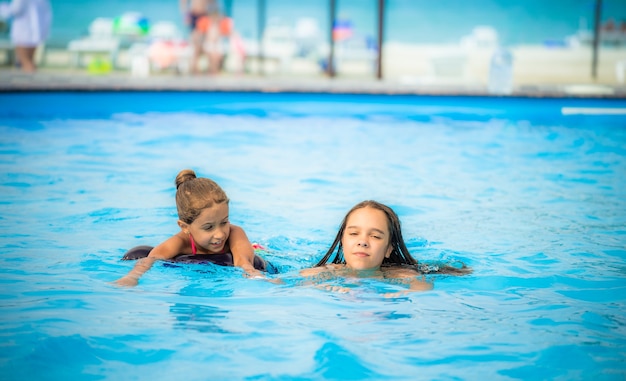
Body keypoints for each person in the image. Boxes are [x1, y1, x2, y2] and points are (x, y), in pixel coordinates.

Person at [115, 169, 265, 287]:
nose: (219, 234)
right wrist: (131, 277)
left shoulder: (234, 233)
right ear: (185, 227)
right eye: (208, 227)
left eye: (224, 222)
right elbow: (150, 259)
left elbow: (243, 262)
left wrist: (254, 275)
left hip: (253, 248)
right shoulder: (180, 242)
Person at [300, 200, 471, 294]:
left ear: (389, 248)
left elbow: (422, 286)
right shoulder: (328, 272)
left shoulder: (398, 274)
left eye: (375, 236)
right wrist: (318, 287)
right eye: (353, 234)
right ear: (342, 240)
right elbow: (284, 283)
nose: (363, 241)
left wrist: (403, 294)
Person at [0, 0, 51, 73]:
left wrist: (3, 8)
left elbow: (15, 10)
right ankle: (33, 82)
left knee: (25, 62)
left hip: (23, 32)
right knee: (29, 61)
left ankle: (31, 83)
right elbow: (46, 12)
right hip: (36, 31)